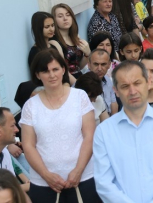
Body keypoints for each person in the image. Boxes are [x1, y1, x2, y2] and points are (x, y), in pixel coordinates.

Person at [93, 60, 153, 203]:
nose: (132, 91)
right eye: (125, 86)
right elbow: (104, 182)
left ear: (148, 82)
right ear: (116, 91)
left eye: (137, 83)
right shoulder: (104, 131)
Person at [20, 50, 99, 202]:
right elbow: (28, 145)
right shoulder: (30, 106)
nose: (52, 75)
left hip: (83, 178)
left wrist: (78, 170)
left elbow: (89, 136)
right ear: (37, 75)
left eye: (55, 69)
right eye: (45, 71)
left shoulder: (80, 97)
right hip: (44, 184)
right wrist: (46, 175)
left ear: (64, 69)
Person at [52, 4, 90, 78]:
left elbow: (79, 66)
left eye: (68, 15)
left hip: (79, 76)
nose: (65, 18)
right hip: (66, 80)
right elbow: (62, 71)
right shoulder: (55, 42)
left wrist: (87, 54)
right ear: (54, 20)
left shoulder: (76, 37)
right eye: (60, 16)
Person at [88, 49, 118, 116]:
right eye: (96, 64)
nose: (99, 68)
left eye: (103, 64)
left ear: (109, 64)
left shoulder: (108, 80)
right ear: (89, 64)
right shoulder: (82, 83)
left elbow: (114, 105)